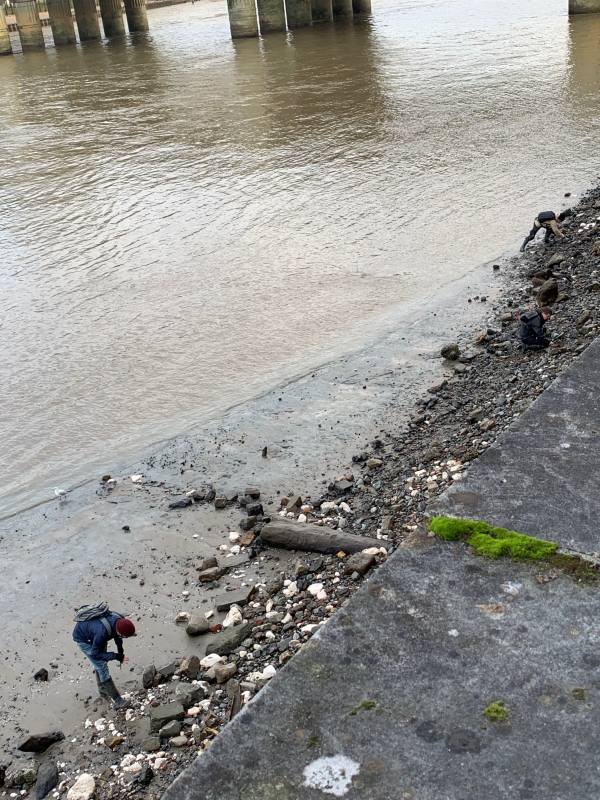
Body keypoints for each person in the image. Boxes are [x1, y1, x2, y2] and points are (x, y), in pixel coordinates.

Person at [73, 603, 136, 709]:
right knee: (101, 665)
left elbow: (117, 636)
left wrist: (120, 650)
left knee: (101, 663)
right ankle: (118, 700)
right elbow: (95, 653)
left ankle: (103, 690)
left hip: (94, 635)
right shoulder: (102, 633)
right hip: (84, 640)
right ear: (120, 633)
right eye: (125, 637)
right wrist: (116, 656)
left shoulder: (118, 618)